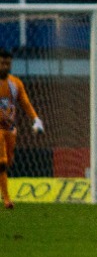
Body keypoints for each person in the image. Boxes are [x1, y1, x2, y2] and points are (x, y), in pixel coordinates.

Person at [0, 47, 45, 209]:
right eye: (2, 62)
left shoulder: (15, 83)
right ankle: (6, 200)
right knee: (2, 162)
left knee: (8, 161)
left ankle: (3, 190)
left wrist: (36, 119)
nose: (5, 66)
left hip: (10, 129)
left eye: (8, 63)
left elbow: (25, 103)